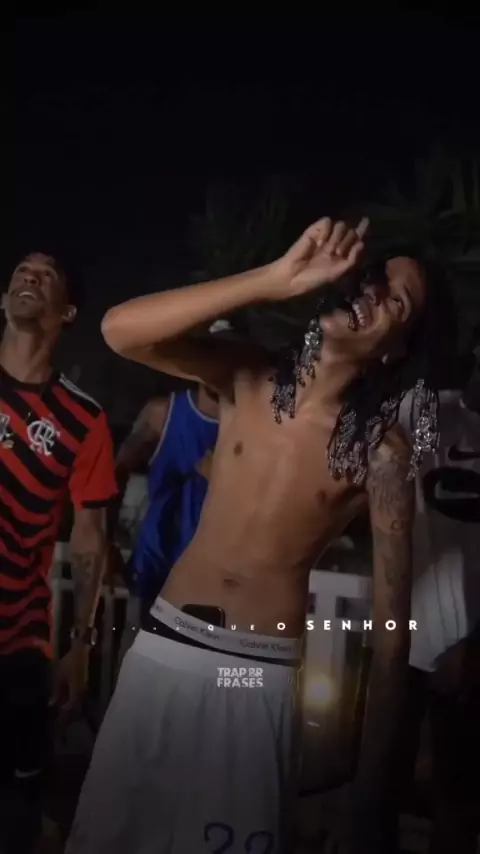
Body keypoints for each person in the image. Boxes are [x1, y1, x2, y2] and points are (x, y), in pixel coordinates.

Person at [67, 218, 442, 854]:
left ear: (394, 351)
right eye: (375, 278)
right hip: (161, 649)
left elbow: (391, 633)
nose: (376, 292)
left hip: (251, 674)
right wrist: (273, 278)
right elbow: (118, 330)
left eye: (397, 302)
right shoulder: (247, 375)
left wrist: (368, 794)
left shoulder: (379, 451)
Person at [0, 253, 117, 854]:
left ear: (67, 312)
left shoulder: (84, 420)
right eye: (22, 270)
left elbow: (91, 534)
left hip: (17, 644)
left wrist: (81, 644)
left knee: (17, 812)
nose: (28, 277)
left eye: (45, 275)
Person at [394, 363, 480, 854]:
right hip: (401, 648)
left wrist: (475, 648)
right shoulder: (423, 410)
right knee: (380, 787)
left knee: (457, 808)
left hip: (472, 664)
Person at [113, 383, 219, 657]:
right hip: (154, 574)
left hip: (215, 589)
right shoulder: (162, 414)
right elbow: (114, 474)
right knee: (138, 672)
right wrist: (105, 540)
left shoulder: (253, 425)